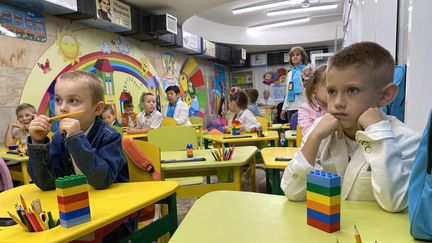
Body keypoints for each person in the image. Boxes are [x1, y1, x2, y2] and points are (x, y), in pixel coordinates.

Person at [280, 42, 420, 213]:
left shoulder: (407, 140)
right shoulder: (322, 130)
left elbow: (396, 203)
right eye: (331, 91)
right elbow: (292, 191)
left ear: (385, 95)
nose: (338, 103)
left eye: (352, 90)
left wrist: (378, 133)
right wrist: (314, 137)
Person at [27, 71, 129, 191]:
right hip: (77, 203)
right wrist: (38, 143)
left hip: (114, 202)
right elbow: (46, 183)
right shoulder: (59, 138)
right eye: (58, 100)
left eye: (73, 101)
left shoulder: (110, 137)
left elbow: (101, 180)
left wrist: (76, 138)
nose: (63, 108)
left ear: (97, 109)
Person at [298, 64, 327, 136]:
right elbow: (309, 136)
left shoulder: (341, 104)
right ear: (314, 88)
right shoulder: (305, 109)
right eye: (330, 88)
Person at [281, 46, 308, 122]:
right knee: (292, 132)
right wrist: (284, 108)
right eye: (293, 55)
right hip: (290, 108)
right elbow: (287, 91)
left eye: (297, 55)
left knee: (303, 132)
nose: (295, 57)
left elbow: (310, 90)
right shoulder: (289, 74)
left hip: (304, 106)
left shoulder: (307, 70)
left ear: (302, 57)